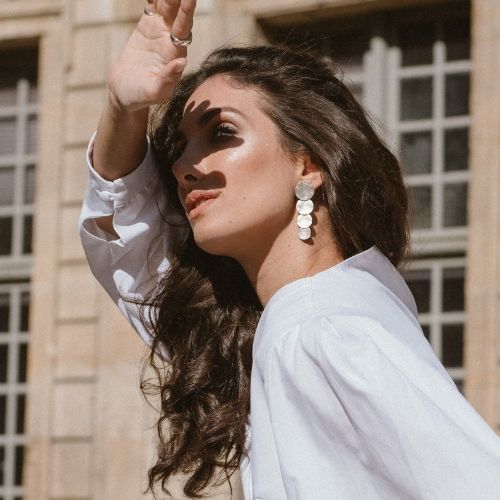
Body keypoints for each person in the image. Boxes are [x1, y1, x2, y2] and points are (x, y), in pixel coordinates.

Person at [78, 1, 500, 498]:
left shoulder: (320, 331)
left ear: (308, 163)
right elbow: (127, 241)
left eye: (221, 133)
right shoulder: (283, 323)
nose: (182, 166)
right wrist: (122, 106)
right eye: (180, 148)